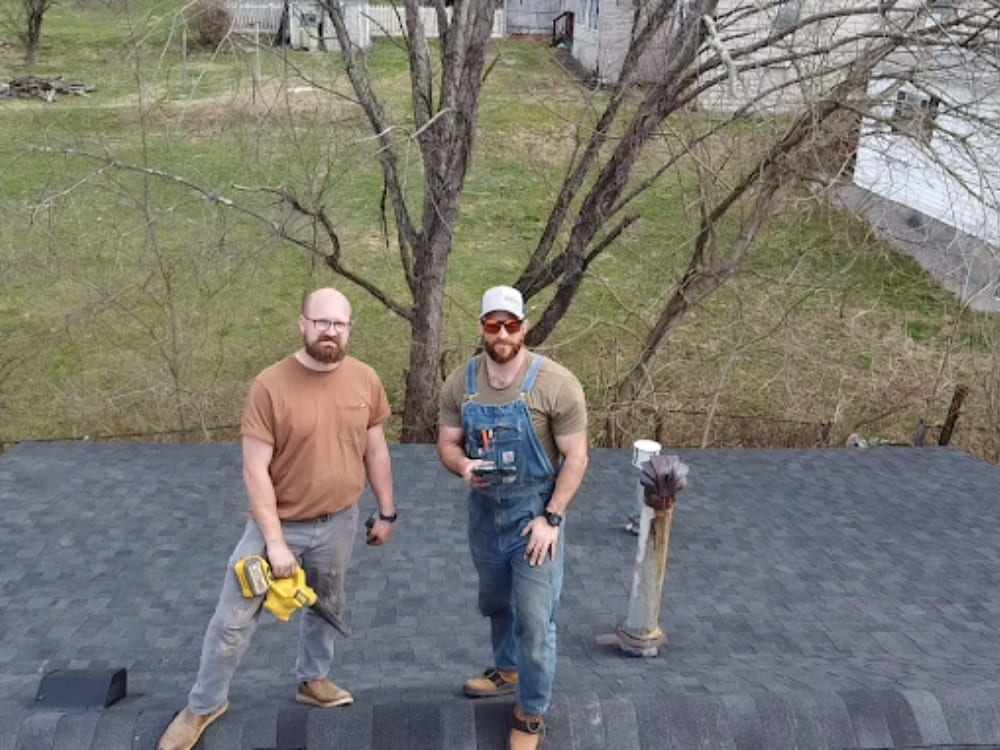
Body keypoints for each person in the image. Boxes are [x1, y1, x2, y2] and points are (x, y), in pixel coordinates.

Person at [157, 288, 397, 750]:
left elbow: (376, 449)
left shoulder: (365, 380)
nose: (330, 331)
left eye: (339, 324)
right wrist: (276, 543)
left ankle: (313, 681)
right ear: (302, 324)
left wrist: (387, 511)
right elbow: (254, 470)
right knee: (231, 621)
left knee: (326, 606)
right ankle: (203, 705)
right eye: (321, 321)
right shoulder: (270, 385)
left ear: (349, 329)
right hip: (278, 525)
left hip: (340, 522)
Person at [437, 285, 588, 750]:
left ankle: (531, 711)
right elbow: (447, 442)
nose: (502, 334)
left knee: (536, 622)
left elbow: (577, 458)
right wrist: (462, 465)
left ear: (525, 327)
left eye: (511, 325)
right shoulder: (460, 382)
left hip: (534, 519)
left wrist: (551, 518)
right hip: (485, 517)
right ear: (482, 328)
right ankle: (507, 669)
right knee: (496, 602)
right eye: (492, 325)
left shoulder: (556, 384)